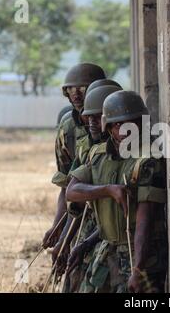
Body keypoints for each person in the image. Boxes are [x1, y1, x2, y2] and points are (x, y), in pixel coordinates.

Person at [66, 91, 168, 293]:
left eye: (131, 123)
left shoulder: (148, 160)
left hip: (139, 255)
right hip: (106, 251)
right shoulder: (98, 155)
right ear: (109, 127)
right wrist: (107, 190)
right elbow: (72, 191)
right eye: (118, 124)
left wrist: (138, 269)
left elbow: (144, 220)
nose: (124, 130)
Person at [57, 84, 123, 292]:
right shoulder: (93, 151)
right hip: (96, 233)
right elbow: (71, 192)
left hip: (117, 241)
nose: (92, 124)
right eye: (89, 118)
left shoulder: (129, 155)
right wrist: (64, 239)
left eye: (98, 118)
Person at [42, 63, 106, 252]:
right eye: (70, 89)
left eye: (82, 88)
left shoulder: (115, 124)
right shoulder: (67, 128)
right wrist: (58, 227)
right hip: (79, 216)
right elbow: (66, 186)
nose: (76, 94)